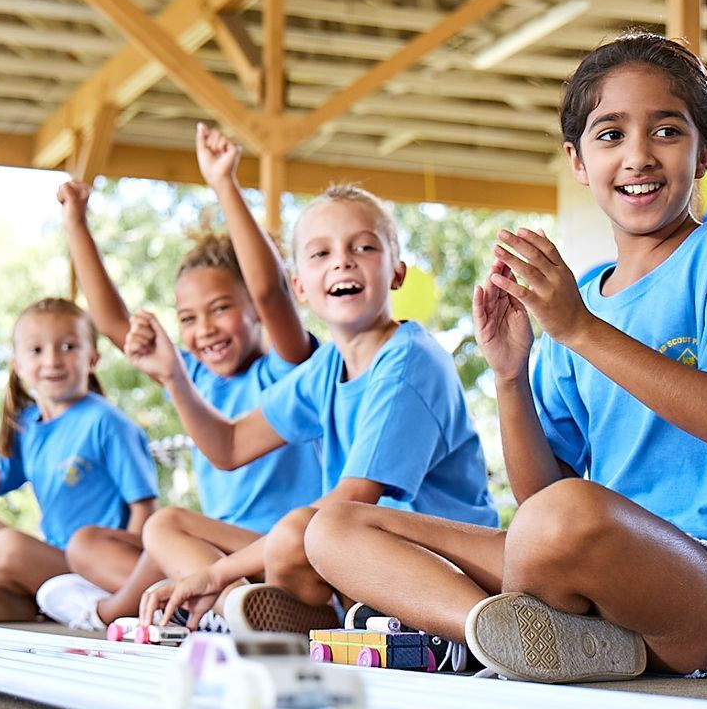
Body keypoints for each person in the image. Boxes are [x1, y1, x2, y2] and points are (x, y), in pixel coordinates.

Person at [304, 31, 707, 683]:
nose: (638, 156)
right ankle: (495, 632)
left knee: (568, 518)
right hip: (588, 568)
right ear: (577, 160)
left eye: (666, 131)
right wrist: (509, 374)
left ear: (704, 155)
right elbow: (537, 498)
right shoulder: (576, 302)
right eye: (610, 135)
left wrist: (579, 330)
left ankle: (518, 631)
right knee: (333, 526)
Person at [128, 181, 497, 646]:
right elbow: (229, 447)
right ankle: (251, 611)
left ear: (397, 272)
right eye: (320, 254)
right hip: (349, 554)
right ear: (301, 286)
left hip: (436, 565)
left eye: (363, 247)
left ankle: (416, 627)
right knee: (167, 524)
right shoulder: (326, 367)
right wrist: (172, 377)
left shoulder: (408, 362)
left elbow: (352, 500)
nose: (342, 260)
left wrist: (216, 571)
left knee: (301, 531)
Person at [32, 123, 322, 631]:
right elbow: (116, 326)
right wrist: (76, 223)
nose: (204, 329)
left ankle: (120, 610)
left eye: (220, 309)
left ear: (254, 310)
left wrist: (224, 184)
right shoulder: (193, 378)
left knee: (163, 525)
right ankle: (222, 602)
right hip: (214, 548)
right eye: (188, 318)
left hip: (280, 552)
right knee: (87, 542)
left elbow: (273, 291)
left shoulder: (290, 365)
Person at [0, 298, 159, 623]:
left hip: (95, 565)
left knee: (4, 549)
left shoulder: (106, 422)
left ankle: (10, 602)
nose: (52, 359)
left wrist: (133, 578)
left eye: (68, 347)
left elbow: (145, 509)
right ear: (18, 365)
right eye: (36, 350)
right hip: (56, 558)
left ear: (92, 358)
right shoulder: (26, 425)